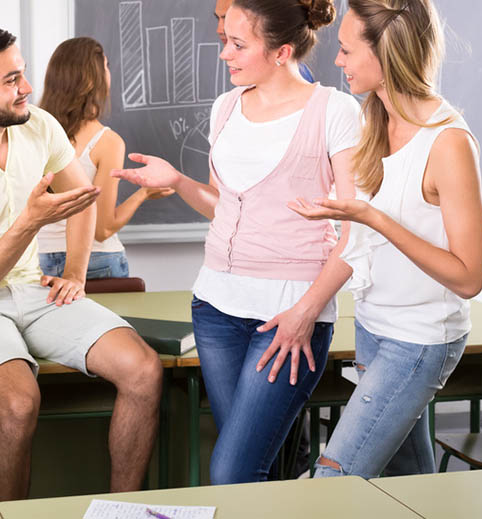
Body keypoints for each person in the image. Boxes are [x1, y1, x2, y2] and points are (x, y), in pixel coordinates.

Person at [0, 23, 163, 505]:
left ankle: (121, 513)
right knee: (20, 403)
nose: (26, 88)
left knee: (144, 370)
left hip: (34, 289)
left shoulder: (37, 124)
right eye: (11, 80)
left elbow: (82, 198)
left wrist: (77, 274)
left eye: (22, 74)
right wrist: (27, 225)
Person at [114, 0, 361, 484]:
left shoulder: (335, 110)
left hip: (289, 311)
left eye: (238, 44)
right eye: (225, 40)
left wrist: (306, 314)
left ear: (281, 51)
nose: (224, 53)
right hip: (216, 307)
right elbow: (222, 205)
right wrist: (179, 181)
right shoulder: (225, 107)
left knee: (231, 471)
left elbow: (358, 232)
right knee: (250, 471)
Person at [294, 0, 482, 479]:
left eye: (345, 50)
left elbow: (469, 277)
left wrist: (374, 219)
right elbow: (355, 241)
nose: (336, 61)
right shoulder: (372, 122)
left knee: (333, 478)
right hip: (373, 327)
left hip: (420, 339)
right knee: (409, 477)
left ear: (386, 54)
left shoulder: (447, 143)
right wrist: (301, 309)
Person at [36, 37, 173, 279]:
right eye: (106, 66)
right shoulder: (106, 142)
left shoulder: (31, 133)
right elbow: (102, 229)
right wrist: (144, 193)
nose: (109, 73)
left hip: (38, 261)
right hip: (96, 261)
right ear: (91, 80)